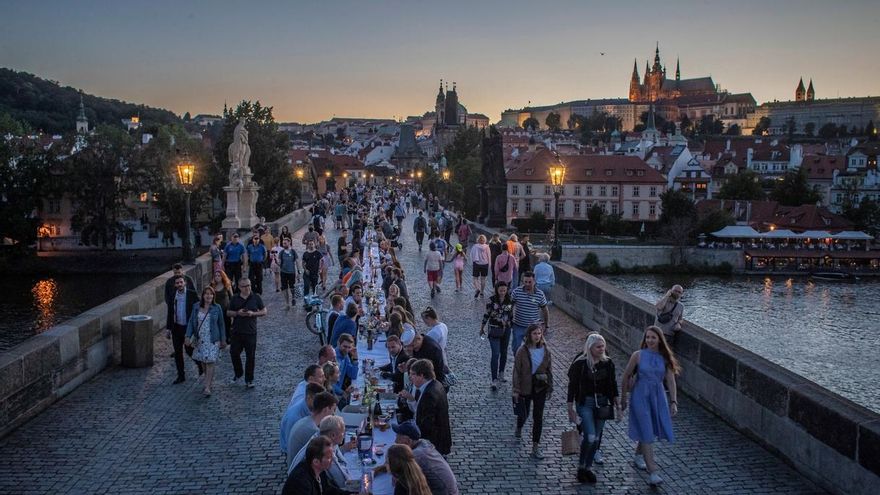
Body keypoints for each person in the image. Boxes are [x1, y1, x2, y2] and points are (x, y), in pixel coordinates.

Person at [621, 326, 680, 486]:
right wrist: (623, 398)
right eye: (647, 337)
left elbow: (671, 380)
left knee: (651, 427)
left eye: (653, 337)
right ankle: (653, 471)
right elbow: (626, 376)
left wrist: (673, 401)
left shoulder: (664, 358)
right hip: (640, 396)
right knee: (647, 429)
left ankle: (638, 455)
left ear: (659, 339)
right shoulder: (638, 356)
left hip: (658, 396)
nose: (650, 340)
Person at [566, 333, 620, 483]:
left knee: (596, 438)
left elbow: (612, 384)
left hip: (602, 404)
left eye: (603, 346)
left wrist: (617, 402)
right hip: (586, 403)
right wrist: (570, 407)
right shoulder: (580, 364)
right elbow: (572, 386)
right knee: (589, 436)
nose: (601, 349)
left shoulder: (608, 363)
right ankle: (581, 466)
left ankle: (588, 468)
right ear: (590, 348)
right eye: (598, 346)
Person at [512, 324, 553, 459]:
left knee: (538, 417)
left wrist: (550, 387)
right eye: (534, 333)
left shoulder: (546, 350)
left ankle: (535, 446)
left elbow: (549, 370)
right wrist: (516, 389)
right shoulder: (522, 351)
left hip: (540, 386)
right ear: (529, 335)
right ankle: (519, 427)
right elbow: (517, 371)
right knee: (524, 413)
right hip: (526, 387)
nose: (537, 336)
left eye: (539, 333)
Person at [391, 420, 460, 495]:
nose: (395, 441)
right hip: (450, 489)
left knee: (401, 487)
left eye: (398, 437)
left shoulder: (417, 455)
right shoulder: (423, 443)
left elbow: (397, 477)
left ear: (408, 441)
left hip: (444, 492)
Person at [185, 287, 226, 396]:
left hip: (213, 339)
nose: (208, 296)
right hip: (200, 339)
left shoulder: (217, 308)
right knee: (203, 362)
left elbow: (221, 324)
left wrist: (223, 340)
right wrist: (188, 336)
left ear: (213, 296)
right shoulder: (196, 307)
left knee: (210, 362)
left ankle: (207, 387)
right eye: (206, 294)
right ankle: (209, 379)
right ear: (203, 295)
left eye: (211, 294)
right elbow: (190, 322)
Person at [405, 359, 452, 455]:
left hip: (433, 445)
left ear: (422, 375)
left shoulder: (429, 394)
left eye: (413, 374)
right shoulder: (435, 384)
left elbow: (427, 424)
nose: (410, 377)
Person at [227, 278, 267, 388]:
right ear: (239, 287)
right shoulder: (235, 298)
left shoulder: (256, 297)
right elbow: (228, 312)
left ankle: (249, 379)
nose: (247, 288)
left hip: (250, 332)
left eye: (248, 285)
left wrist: (253, 313)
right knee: (234, 353)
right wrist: (237, 313)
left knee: (250, 357)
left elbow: (264, 311)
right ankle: (238, 372)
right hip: (237, 331)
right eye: (244, 286)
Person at [286, 391, 339, 472]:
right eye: (333, 410)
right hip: (300, 473)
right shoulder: (312, 431)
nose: (334, 414)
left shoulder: (306, 420)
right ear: (325, 409)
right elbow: (325, 458)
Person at [166, 275, 200, 384]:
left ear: (184, 283)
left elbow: (199, 309)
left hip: (187, 328)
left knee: (189, 351)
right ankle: (181, 375)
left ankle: (200, 365)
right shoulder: (172, 295)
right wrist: (168, 328)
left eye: (181, 282)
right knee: (178, 352)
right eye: (177, 283)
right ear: (175, 285)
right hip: (176, 327)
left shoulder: (191, 294)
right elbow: (170, 312)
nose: (179, 284)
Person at [480, 281, 513, 390]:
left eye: (504, 290)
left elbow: (511, 315)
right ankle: (494, 379)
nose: (503, 292)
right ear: (497, 290)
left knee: (504, 352)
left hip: (506, 330)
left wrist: (510, 324)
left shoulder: (510, 300)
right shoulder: (491, 300)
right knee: (495, 353)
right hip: (494, 329)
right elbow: (487, 314)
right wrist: (482, 327)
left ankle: (501, 373)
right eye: (501, 290)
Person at [509, 271, 549, 357]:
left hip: (533, 327)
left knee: (533, 348)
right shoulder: (516, 292)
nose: (527, 284)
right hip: (518, 325)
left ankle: (530, 365)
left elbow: (545, 309)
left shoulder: (539, 294)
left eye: (530, 282)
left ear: (534, 281)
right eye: (525, 282)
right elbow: (510, 306)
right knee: (516, 347)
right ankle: (518, 363)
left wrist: (546, 324)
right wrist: (509, 318)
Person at [281, 383, 325, 454]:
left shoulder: (309, 407)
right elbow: (290, 445)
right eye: (319, 401)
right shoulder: (294, 417)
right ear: (309, 398)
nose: (321, 404)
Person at [211, 270, 233, 345]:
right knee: (217, 324)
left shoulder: (227, 285)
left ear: (222, 276)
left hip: (225, 309)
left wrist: (231, 308)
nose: (217, 277)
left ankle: (227, 338)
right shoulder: (212, 286)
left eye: (219, 275)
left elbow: (231, 297)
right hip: (216, 309)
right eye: (215, 276)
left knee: (227, 324)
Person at [278, 238, 300, 310]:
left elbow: (297, 261)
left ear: (289, 243)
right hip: (283, 272)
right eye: (283, 243)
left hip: (292, 272)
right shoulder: (281, 252)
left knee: (292, 287)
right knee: (284, 288)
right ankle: (287, 303)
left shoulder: (293, 251)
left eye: (285, 243)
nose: (284, 244)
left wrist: (298, 271)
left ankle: (293, 297)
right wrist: (275, 260)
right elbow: (279, 263)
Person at [302, 239, 322, 304]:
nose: (311, 245)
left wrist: (320, 269)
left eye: (312, 244)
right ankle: (306, 301)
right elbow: (303, 263)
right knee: (306, 286)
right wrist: (305, 269)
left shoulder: (317, 253)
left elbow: (322, 261)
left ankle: (315, 300)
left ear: (314, 244)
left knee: (315, 287)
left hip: (315, 273)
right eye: (309, 244)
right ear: (308, 245)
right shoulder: (305, 253)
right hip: (307, 273)